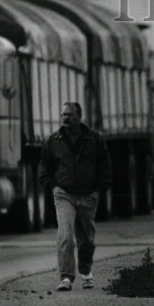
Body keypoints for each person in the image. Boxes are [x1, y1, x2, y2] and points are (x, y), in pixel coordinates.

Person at [38, 102, 112, 291]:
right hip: (64, 194)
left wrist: (99, 190)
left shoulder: (94, 139)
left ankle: (86, 270)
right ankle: (66, 277)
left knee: (87, 239)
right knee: (65, 235)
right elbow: (44, 167)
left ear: (80, 117)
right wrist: (52, 187)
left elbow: (105, 166)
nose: (65, 118)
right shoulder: (53, 140)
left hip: (88, 195)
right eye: (63, 114)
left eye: (70, 115)